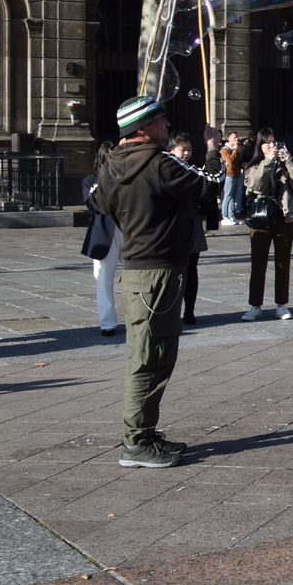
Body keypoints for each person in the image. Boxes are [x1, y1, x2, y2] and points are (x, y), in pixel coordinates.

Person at [89, 96, 221, 467]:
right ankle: (136, 443)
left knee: (147, 355)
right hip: (159, 272)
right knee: (150, 360)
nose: (167, 125)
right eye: (161, 120)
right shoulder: (160, 162)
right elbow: (210, 184)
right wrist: (213, 148)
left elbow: (96, 201)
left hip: (136, 271)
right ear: (143, 128)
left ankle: (143, 434)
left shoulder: (113, 164)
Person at [241, 128, 293, 321]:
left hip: (283, 218)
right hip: (260, 219)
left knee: (283, 263)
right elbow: (256, 185)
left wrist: (289, 160)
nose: (272, 146)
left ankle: (281, 304)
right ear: (260, 145)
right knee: (258, 263)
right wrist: (268, 162)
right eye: (267, 142)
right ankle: (255, 305)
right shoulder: (254, 165)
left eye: (275, 142)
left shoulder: (286, 163)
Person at [166, 132, 217, 327]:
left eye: (189, 149)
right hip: (173, 226)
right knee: (173, 271)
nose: (186, 153)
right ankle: (173, 310)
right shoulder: (167, 169)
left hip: (192, 222)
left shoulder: (195, 169)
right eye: (182, 149)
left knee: (191, 270)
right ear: (172, 150)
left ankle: (189, 310)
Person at [81, 142, 122, 338]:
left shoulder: (125, 177)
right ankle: (108, 323)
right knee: (103, 279)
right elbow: (93, 205)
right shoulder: (90, 181)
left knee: (138, 275)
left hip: (127, 230)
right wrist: (105, 178)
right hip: (104, 233)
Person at [219, 131, 247, 224]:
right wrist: (235, 150)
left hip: (236, 175)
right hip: (228, 175)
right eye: (234, 137)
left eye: (237, 137)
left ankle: (231, 216)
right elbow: (230, 161)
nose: (237, 139)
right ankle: (224, 216)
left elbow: (237, 162)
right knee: (228, 196)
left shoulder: (236, 150)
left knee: (233, 197)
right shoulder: (225, 150)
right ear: (229, 139)